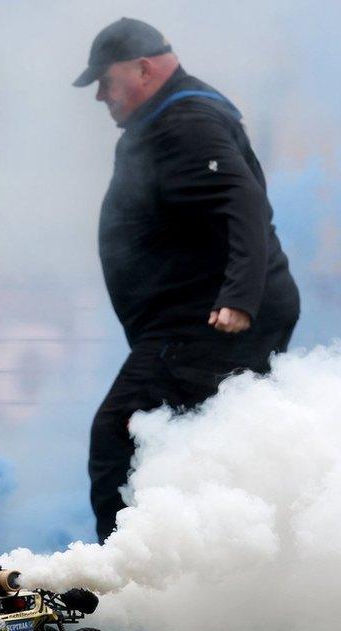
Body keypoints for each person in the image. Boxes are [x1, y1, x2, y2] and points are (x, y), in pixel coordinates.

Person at [75, 18, 301, 541]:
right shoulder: (170, 118)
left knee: (119, 436)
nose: (99, 97)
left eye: (104, 82)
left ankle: (128, 585)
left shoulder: (185, 122)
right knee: (208, 453)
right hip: (203, 319)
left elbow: (242, 202)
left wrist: (240, 297)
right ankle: (240, 583)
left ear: (143, 68)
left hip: (210, 323)